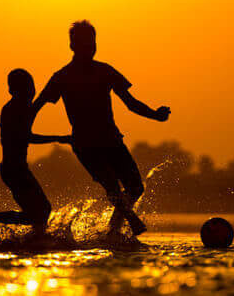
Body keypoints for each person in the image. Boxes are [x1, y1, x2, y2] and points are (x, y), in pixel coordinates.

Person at [33, 20, 171, 236]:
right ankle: (128, 219)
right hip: (85, 144)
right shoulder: (62, 77)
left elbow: (131, 103)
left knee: (136, 188)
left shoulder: (105, 71)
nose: (90, 48)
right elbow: (37, 105)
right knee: (112, 186)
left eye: (92, 43)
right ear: (72, 46)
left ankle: (112, 232)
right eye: (84, 44)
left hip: (111, 140)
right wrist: (19, 127)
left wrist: (155, 114)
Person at [0, 68, 71, 243]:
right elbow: (25, 136)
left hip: (17, 168)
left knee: (39, 212)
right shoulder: (14, 108)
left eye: (32, 86)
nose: (31, 91)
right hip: (14, 170)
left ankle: (35, 239)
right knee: (41, 211)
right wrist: (58, 138)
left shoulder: (21, 107)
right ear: (13, 90)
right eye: (27, 87)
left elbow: (31, 117)